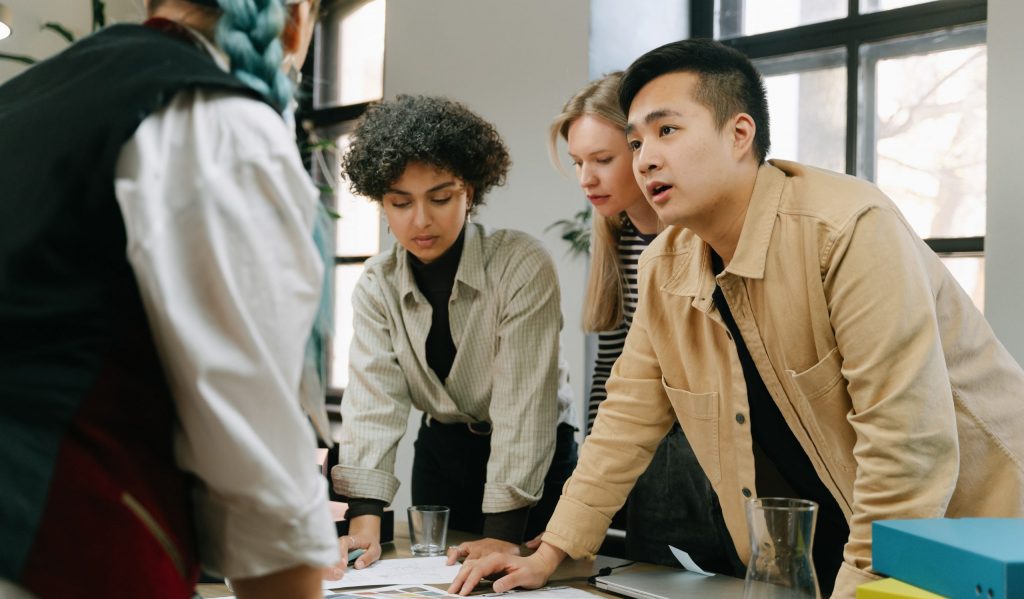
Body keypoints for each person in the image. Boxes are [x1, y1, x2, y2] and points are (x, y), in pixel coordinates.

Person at [449, 38, 1024, 599]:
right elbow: (624, 419)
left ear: (739, 134)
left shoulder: (847, 229)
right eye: (636, 139)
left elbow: (906, 449)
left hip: (973, 541)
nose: (645, 156)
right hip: (829, 544)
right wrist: (548, 553)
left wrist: (866, 589)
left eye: (667, 130)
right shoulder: (664, 265)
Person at [0, 1, 341, 598]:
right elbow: (254, 466)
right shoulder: (217, 120)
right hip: (68, 552)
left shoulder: (25, 101)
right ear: (297, 16)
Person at [332, 95, 578, 572]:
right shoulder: (377, 283)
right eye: (400, 202)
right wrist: (364, 522)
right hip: (443, 456)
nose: (420, 220)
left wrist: (503, 536)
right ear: (381, 203)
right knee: (432, 579)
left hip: (535, 467)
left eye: (440, 198)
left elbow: (524, 405)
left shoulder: (520, 264)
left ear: (469, 190)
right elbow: (372, 402)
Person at [547, 72, 739, 574]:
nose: (586, 178)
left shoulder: (692, 235)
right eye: (578, 163)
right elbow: (614, 373)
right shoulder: (617, 234)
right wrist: (594, 479)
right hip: (642, 442)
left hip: (702, 440)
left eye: (603, 160)